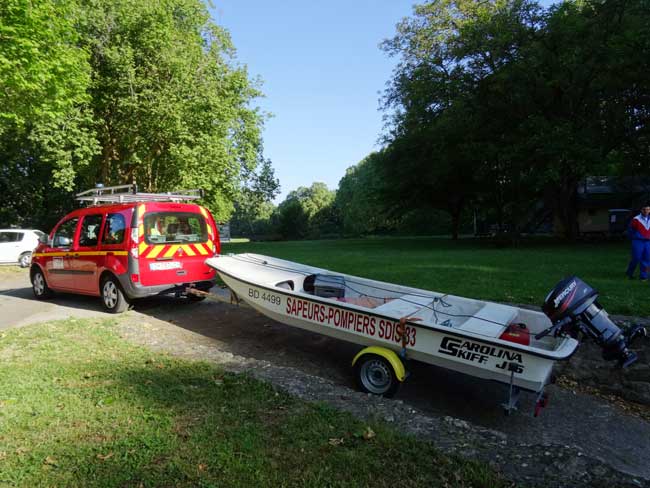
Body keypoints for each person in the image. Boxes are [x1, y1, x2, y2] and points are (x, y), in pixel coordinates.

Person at [626, 204, 650, 281]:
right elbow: (630, 230)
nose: (646, 211)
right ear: (641, 210)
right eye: (644, 209)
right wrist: (634, 238)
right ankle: (630, 273)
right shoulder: (636, 219)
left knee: (647, 259)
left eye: (648, 209)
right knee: (636, 258)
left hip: (648, 242)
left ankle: (644, 276)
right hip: (638, 241)